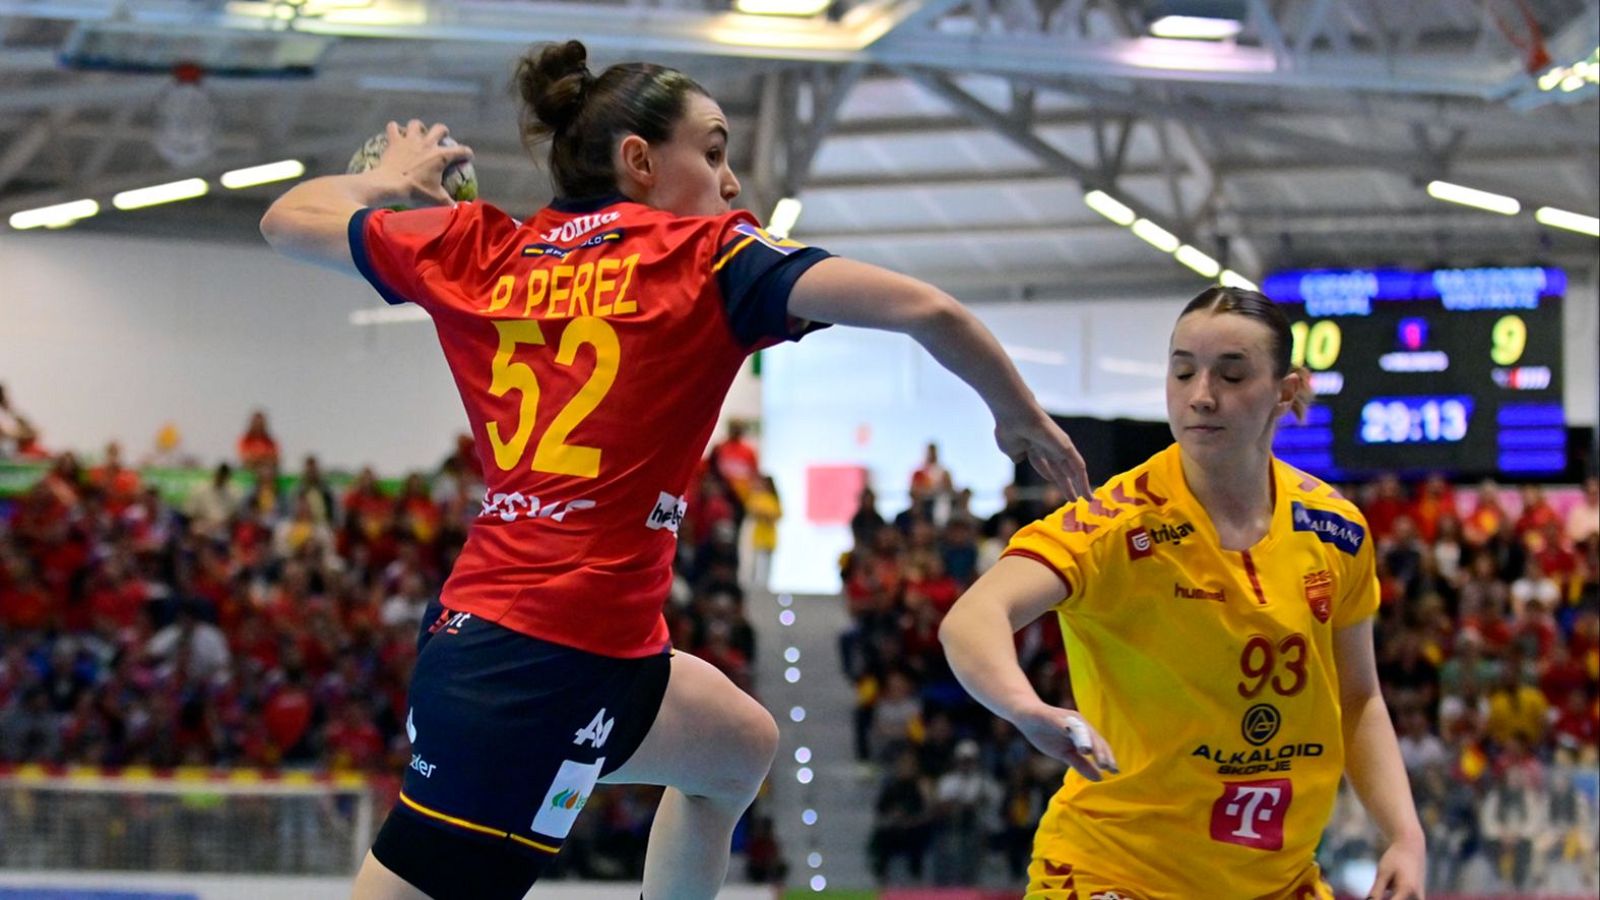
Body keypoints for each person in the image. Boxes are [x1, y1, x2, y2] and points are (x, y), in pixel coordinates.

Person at [259, 39, 1088, 900]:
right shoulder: (709, 258)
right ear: (640, 161)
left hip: (581, 646)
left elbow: (287, 220)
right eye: (715, 153)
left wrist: (386, 179)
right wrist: (1019, 416)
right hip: (532, 669)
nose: (731, 182)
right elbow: (930, 308)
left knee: (738, 748)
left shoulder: (478, 246)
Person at [939, 287, 1426, 899]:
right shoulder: (1115, 522)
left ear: (1286, 390)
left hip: (1278, 884)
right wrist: (1025, 707)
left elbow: (1358, 698)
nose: (1201, 395)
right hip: (1113, 875)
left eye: (1231, 374)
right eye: (1183, 371)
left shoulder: (1335, 528)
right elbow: (973, 618)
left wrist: (1405, 835)